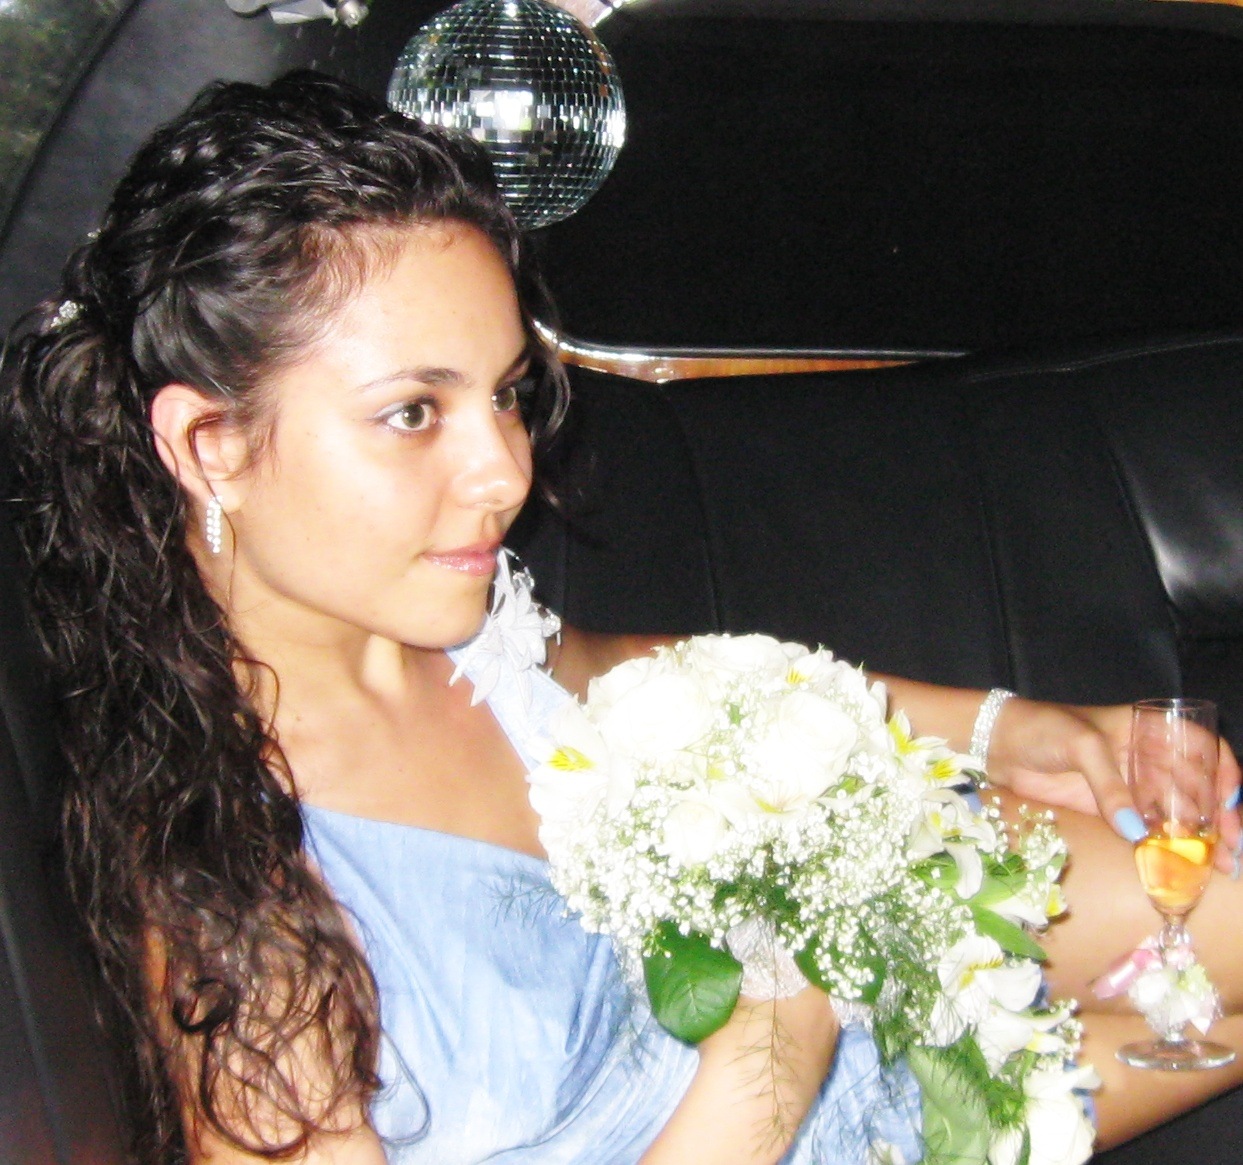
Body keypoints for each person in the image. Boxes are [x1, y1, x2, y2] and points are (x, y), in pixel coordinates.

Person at [3, 70, 1243, 1165]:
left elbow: (634, 675)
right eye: (413, 413)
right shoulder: (230, 902)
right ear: (209, 445)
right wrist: (779, 1025)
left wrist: (1002, 728)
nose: (503, 472)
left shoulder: (451, 627)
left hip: (879, 966)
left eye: (503, 395)